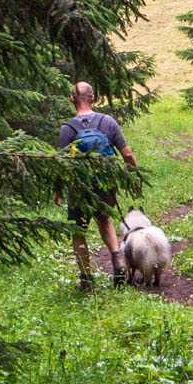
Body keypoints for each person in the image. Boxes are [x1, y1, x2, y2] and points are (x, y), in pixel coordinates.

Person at [56, 81, 138, 288]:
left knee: (79, 231)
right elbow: (127, 154)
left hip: (79, 188)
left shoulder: (67, 129)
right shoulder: (107, 122)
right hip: (104, 184)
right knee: (105, 220)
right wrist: (132, 176)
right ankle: (118, 259)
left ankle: (86, 279)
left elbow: (63, 164)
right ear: (93, 98)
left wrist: (58, 190)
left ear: (72, 100)